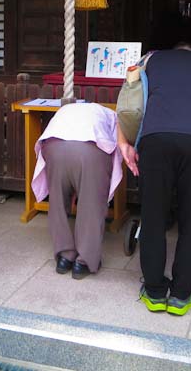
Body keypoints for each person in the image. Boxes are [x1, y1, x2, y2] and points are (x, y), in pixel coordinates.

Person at [118, 42, 191, 315]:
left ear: (176, 51)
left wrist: (125, 144)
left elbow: (128, 104)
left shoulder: (152, 60)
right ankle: (182, 296)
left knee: (154, 216)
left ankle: (155, 293)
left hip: (155, 140)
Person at [33, 103, 123, 280]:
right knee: (91, 204)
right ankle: (84, 262)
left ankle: (64, 257)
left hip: (54, 146)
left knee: (57, 202)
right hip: (89, 149)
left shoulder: (66, 109)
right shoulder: (111, 114)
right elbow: (115, 145)